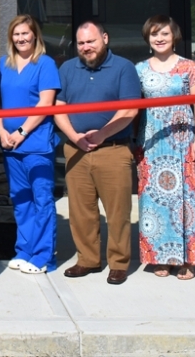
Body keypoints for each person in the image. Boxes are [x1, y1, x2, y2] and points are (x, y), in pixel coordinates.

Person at [55, 20, 141, 286]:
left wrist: (102, 133)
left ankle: (118, 263)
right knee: (81, 211)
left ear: (104, 38)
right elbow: (59, 107)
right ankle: (88, 260)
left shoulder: (124, 68)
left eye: (91, 41)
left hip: (112, 149)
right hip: (76, 149)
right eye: (81, 43)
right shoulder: (68, 68)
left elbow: (129, 109)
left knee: (118, 212)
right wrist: (74, 137)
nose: (85, 47)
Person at [136, 15, 195, 281]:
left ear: (174, 35)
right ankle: (160, 258)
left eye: (164, 33)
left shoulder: (190, 67)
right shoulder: (140, 70)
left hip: (183, 142)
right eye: (154, 34)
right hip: (152, 143)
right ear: (148, 37)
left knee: (186, 201)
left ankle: (188, 258)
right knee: (154, 201)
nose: (160, 38)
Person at [0, 15, 60, 275]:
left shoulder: (45, 64)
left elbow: (46, 103)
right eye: (16, 34)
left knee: (42, 199)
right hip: (10, 145)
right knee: (20, 199)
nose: (21, 38)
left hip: (36, 143)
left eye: (26, 33)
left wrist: (21, 131)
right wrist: (1, 130)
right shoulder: (4, 64)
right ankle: (24, 250)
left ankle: (44, 256)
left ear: (35, 36)